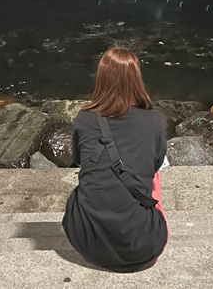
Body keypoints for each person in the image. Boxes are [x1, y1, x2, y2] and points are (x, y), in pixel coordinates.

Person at [62, 47, 169, 272]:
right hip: (143, 246)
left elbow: (80, 161)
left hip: (88, 243)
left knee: (79, 192)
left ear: (101, 78)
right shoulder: (154, 120)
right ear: (136, 78)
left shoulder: (84, 119)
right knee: (154, 175)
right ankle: (155, 217)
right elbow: (156, 164)